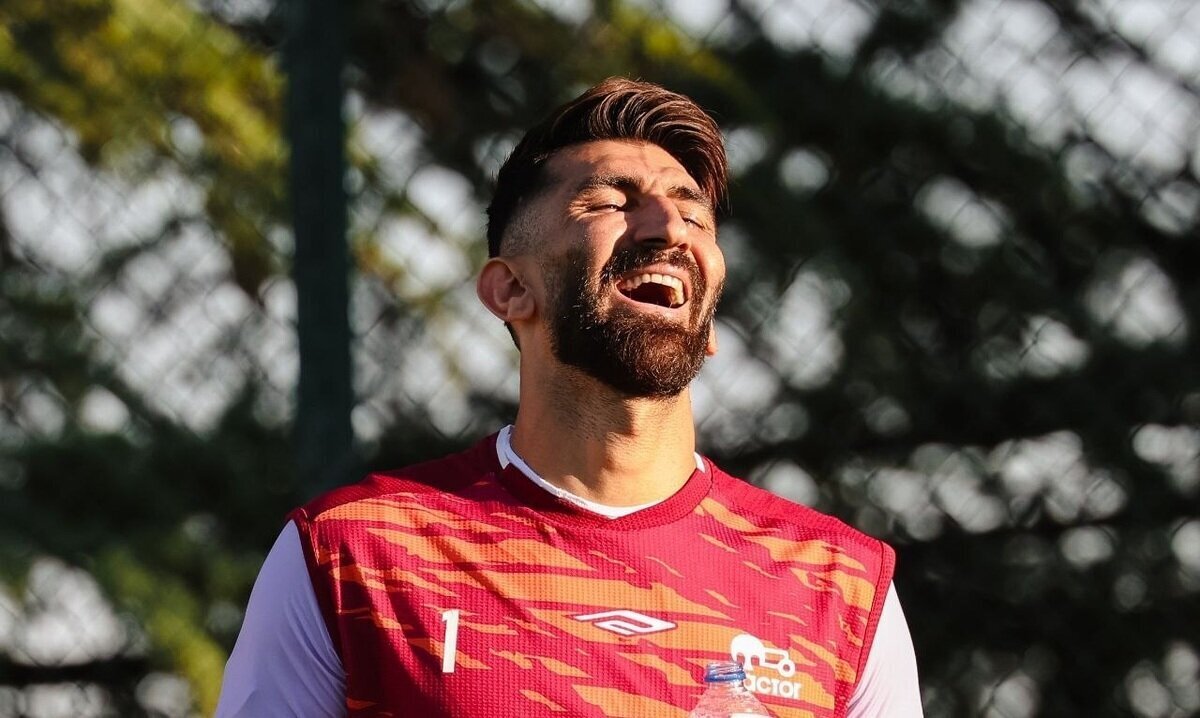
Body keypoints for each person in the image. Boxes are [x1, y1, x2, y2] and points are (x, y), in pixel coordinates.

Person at [216, 77, 922, 718]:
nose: (669, 228)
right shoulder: (354, 553)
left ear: (708, 320)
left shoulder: (840, 585)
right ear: (509, 289)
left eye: (694, 216)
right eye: (612, 202)